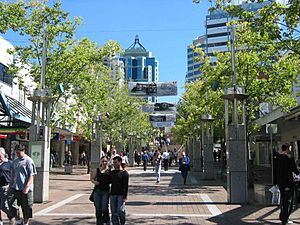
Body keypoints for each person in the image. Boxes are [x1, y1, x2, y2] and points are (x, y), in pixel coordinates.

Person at [8, 145, 37, 225]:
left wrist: (27, 187)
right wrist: (10, 186)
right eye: (16, 153)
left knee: (26, 208)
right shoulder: (15, 161)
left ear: (23, 151)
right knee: (12, 204)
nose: (17, 154)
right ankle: (18, 219)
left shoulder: (29, 161)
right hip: (16, 188)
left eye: (18, 153)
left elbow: (32, 175)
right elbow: (13, 175)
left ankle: (25, 223)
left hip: (25, 189)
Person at [274, 143, 300, 225]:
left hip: (280, 183)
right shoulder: (289, 158)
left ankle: (282, 216)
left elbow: (275, 171)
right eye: (290, 148)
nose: (290, 150)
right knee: (288, 202)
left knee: (283, 200)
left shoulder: (277, 158)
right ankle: (285, 219)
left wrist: (276, 182)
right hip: (288, 183)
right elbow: (295, 170)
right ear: (287, 149)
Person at [90, 156, 110, 225]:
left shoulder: (110, 170)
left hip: (106, 191)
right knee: (98, 209)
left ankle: (107, 220)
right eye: (103, 161)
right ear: (100, 162)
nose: (104, 163)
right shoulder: (97, 170)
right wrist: (95, 182)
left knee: (104, 208)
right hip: (97, 191)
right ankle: (99, 222)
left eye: (105, 161)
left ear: (107, 162)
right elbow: (92, 178)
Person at [110, 156, 129, 225]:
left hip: (121, 195)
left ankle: (122, 222)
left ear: (120, 162)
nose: (114, 164)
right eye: (113, 163)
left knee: (120, 210)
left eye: (116, 162)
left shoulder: (125, 173)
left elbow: (126, 185)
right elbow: (107, 181)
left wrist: (125, 196)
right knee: (114, 212)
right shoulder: (112, 173)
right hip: (113, 194)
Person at [0, 147, 15, 225]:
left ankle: (11, 215)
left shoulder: (9, 163)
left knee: (3, 205)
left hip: (5, 187)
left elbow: (13, 175)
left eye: (0, 155)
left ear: (3, 154)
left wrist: (11, 185)